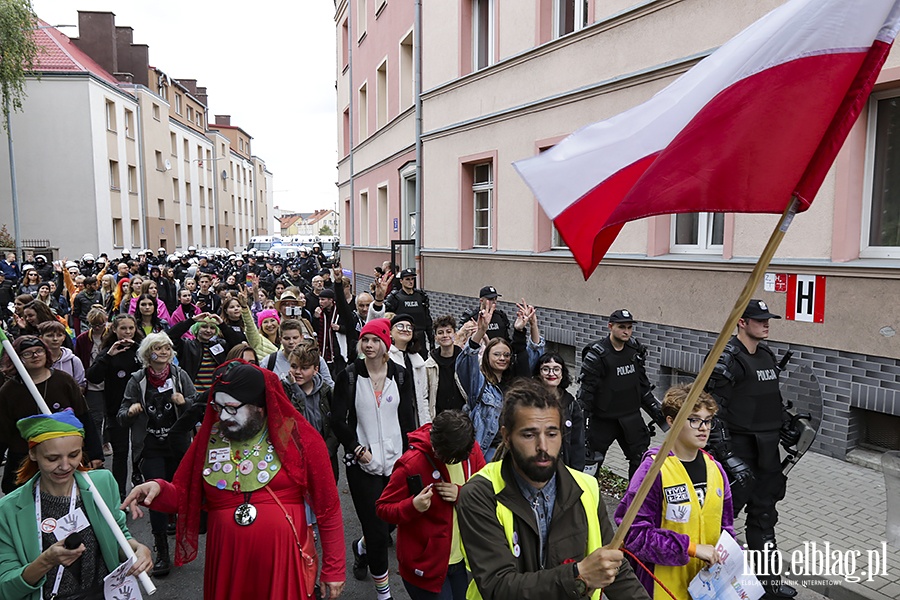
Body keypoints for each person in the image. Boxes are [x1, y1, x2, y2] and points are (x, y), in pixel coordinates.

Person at [122, 361, 346, 600]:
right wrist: (157, 488)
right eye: (218, 407)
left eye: (231, 407)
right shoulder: (211, 437)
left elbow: (328, 508)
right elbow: (185, 495)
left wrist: (334, 568)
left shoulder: (298, 437)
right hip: (227, 561)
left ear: (260, 406)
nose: (223, 416)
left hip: (283, 559)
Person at [456, 379, 649, 600]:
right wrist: (579, 576)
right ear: (507, 437)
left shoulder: (585, 487)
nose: (543, 447)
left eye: (551, 433)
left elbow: (613, 565)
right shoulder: (480, 494)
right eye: (529, 435)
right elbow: (499, 587)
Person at [0, 410, 152, 599]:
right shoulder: (8, 510)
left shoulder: (101, 484)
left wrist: (137, 549)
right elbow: (5, 587)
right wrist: (46, 561)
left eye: (74, 455)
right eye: (52, 458)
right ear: (33, 453)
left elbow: (118, 536)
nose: (65, 466)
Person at [705, 299, 796, 599]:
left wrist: (787, 424)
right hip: (738, 451)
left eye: (767, 318)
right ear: (742, 322)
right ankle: (705, 584)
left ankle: (767, 585)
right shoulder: (727, 359)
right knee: (720, 523)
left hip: (767, 452)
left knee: (764, 517)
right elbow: (711, 412)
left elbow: (771, 398)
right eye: (759, 319)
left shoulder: (767, 355)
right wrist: (728, 457)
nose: (766, 323)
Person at [615, 383, 734, 598]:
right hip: (662, 588)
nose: (704, 427)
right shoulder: (653, 471)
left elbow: (727, 529)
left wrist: (733, 559)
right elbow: (634, 535)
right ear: (671, 421)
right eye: (694, 420)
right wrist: (692, 549)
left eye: (708, 421)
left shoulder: (716, 470)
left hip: (706, 590)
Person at [331, 318, 417, 598]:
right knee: (379, 533)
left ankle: (361, 547)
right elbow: (337, 420)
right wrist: (356, 448)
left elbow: (407, 420)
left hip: (395, 464)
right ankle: (384, 594)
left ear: (385, 345)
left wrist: (411, 453)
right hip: (362, 465)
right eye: (365, 340)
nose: (368, 345)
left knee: (393, 522)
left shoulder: (401, 375)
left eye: (375, 340)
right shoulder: (350, 375)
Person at [375, 410, 486, 600]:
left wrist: (461, 494)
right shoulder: (411, 463)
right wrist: (412, 506)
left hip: (461, 562)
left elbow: (486, 493)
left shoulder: (470, 450)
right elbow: (383, 508)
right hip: (426, 568)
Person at [118, 333, 197, 577]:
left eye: (167, 349)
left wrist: (184, 402)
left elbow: (196, 407)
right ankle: (161, 547)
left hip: (177, 443)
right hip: (150, 444)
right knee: (155, 495)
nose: (163, 353)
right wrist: (130, 411)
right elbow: (121, 413)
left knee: (177, 489)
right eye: (157, 349)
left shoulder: (180, 376)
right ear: (147, 354)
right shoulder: (138, 379)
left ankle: (178, 533)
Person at [0, 336, 103, 494]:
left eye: (39, 351)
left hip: (64, 456)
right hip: (25, 457)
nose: (35, 356)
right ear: (17, 358)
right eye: (28, 353)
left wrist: (95, 453)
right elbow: (3, 431)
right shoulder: (9, 390)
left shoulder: (63, 381)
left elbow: (84, 417)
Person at [578, 309, 664, 479]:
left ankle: (634, 502)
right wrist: (583, 432)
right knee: (590, 467)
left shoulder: (634, 350)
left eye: (629, 327)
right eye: (622, 327)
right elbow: (585, 397)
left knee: (640, 462)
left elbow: (643, 388)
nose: (626, 331)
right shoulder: (597, 355)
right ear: (610, 326)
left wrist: (662, 415)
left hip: (631, 418)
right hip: (602, 421)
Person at [455, 302, 543, 460]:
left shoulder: (515, 381)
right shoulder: (480, 384)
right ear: (487, 357)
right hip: (488, 450)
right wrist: (480, 332)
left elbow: (534, 353)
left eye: (506, 355)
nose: (502, 358)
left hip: (516, 448)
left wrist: (532, 325)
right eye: (497, 354)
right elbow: (466, 361)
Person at [85, 314, 144, 499]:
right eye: (123, 328)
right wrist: (108, 356)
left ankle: (140, 483)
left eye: (131, 328)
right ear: (115, 330)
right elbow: (93, 376)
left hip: (141, 407)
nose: (127, 332)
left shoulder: (141, 349)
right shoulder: (108, 352)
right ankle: (120, 494)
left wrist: (140, 353)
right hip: (116, 409)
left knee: (140, 448)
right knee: (120, 452)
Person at [282, 345, 339, 480]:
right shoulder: (285, 390)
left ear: (315, 370)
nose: (298, 372)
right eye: (294, 366)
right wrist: (296, 390)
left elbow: (335, 425)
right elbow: (290, 423)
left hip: (324, 457)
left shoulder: (326, 392)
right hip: (296, 458)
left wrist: (327, 450)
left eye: (305, 368)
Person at [533, 352, 585, 470]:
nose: (551, 373)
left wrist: (576, 472)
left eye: (556, 369)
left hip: (563, 466)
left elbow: (578, 443)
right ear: (539, 374)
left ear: (562, 374)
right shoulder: (531, 402)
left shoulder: (571, 404)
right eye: (545, 369)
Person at [388, 313, 430, 426]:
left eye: (409, 327)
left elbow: (423, 396)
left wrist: (427, 424)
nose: (405, 330)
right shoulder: (386, 357)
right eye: (400, 326)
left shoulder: (417, 360)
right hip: (393, 417)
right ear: (390, 333)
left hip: (413, 417)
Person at [424, 315, 467, 419]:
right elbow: (425, 396)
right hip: (439, 418)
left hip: (463, 418)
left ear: (455, 335)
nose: (445, 335)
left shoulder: (464, 361)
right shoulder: (429, 365)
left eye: (448, 332)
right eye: (440, 333)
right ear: (436, 338)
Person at [384, 268, 434, 354]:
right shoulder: (395, 298)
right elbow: (387, 319)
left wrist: (432, 341)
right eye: (407, 279)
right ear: (401, 281)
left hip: (419, 336)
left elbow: (427, 319)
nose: (410, 282)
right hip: (402, 336)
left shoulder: (421, 296)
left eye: (412, 279)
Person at [38, 320, 86, 391]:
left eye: (59, 335)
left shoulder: (73, 360)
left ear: (64, 337)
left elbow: (81, 385)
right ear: (41, 338)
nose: (55, 339)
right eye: (50, 335)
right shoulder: (37, 360)